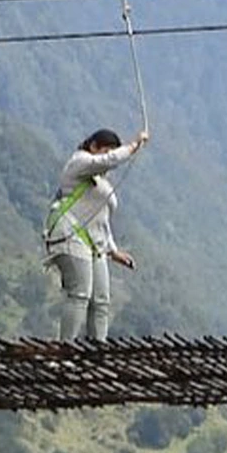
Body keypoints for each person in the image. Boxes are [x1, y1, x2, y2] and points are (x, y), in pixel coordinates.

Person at [44, 126, 149, 341]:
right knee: (79, 293)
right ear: (93, 147)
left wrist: (113, 251)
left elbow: (100, 220)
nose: (109, 158)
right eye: (106, 151)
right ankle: (66, 350)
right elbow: (107, 160)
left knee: (101, 300)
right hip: (69, 236)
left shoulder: (101, 181)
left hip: (93, 243)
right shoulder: (80, 163)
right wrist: (133, 145)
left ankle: (96, 350)